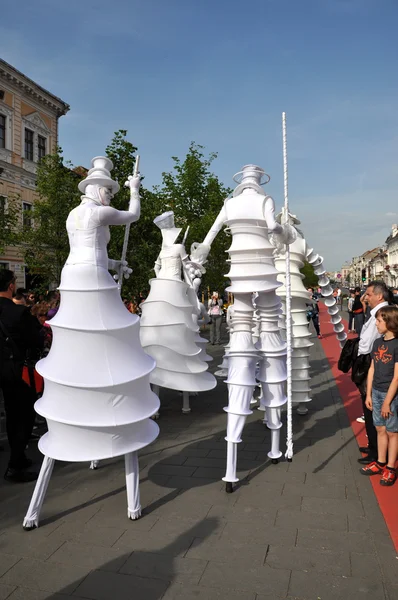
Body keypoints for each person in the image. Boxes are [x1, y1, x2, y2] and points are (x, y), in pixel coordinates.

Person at [0, 269, 42, 482]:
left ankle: (19, 457)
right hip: (17, 371)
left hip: (3, 369)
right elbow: (36, 340)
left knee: (11, 414)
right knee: (23, 416)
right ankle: (15, 465)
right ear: (10, 286)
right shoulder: (18, 312)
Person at [360, 306, 398, 485]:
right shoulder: (377, 342)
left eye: (379, 320)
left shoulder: (397, 345)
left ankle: (391, 467)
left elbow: (397, 377)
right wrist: (368, 393)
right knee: (380, 429)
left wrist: (387, 402)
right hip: (376, 392)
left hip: (391, 396)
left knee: (392, 432)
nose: (376, 324)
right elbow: (372, 368)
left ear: (390, 323)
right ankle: (381, 462)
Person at [353, 281, 390, 465]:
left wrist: (358, 356)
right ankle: (373, 446)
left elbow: (367, 342)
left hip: (370, 362)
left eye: (368, 294)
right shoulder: (376, 312)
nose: (366, 297)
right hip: (369, 361)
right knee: (369, 408)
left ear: (379, 295)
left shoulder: (382, 314)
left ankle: (376, 452)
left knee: (371, 409)